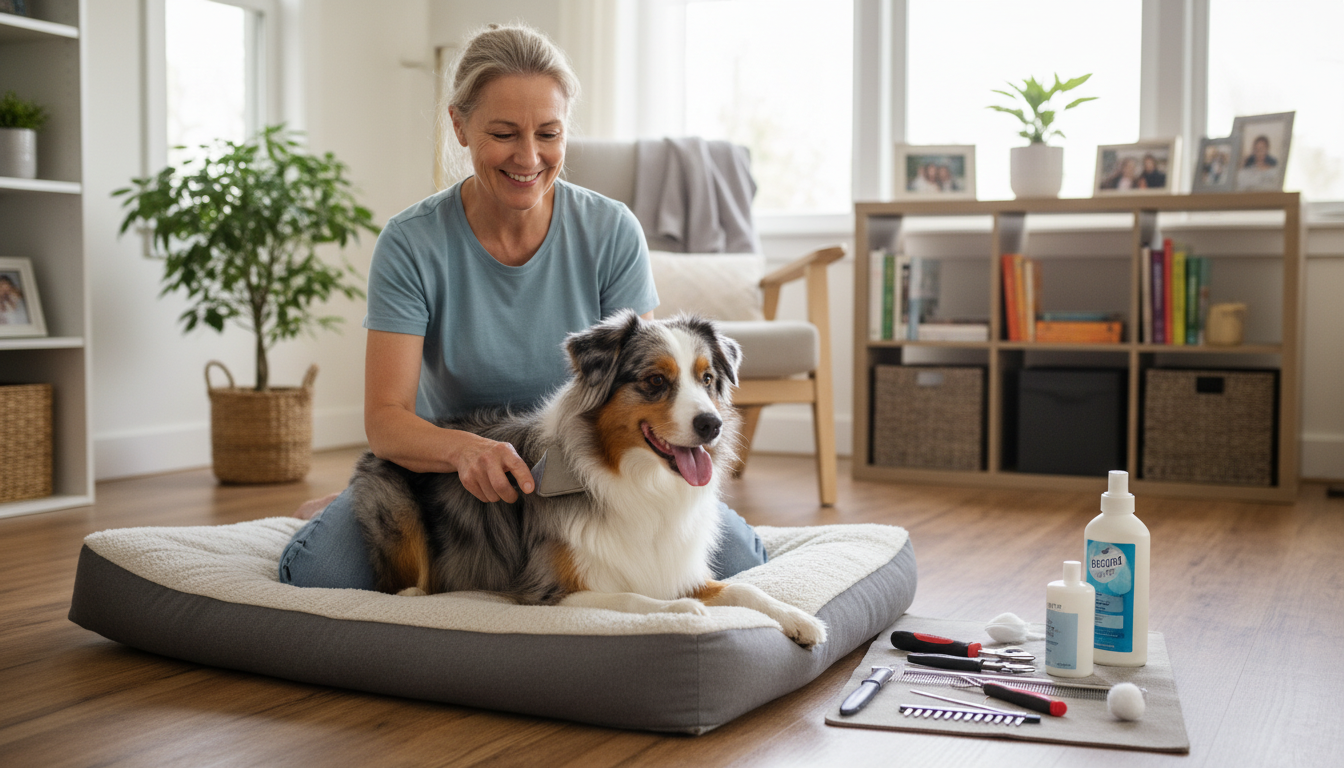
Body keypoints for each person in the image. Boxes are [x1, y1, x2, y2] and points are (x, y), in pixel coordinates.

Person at [278, 24, 768, 591]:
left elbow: (643, 386)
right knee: (320, 571)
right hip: (449, 484)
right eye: (505, 133)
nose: (529, 157)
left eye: (549, 133)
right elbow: (386, 419)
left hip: (571, 472)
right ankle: (353, 502)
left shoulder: (611, 230)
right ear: (460, 126)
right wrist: (468, 451)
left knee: (742, 566)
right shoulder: (410, 243)